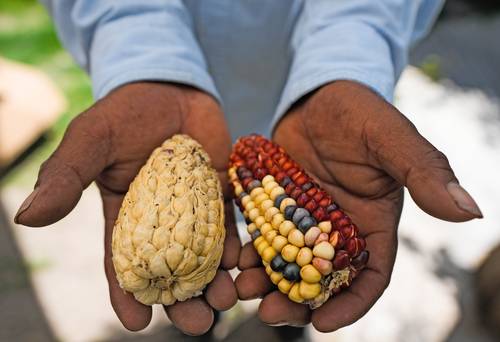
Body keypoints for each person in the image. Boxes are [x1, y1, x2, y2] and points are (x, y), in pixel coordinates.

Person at [15, 0, 483, 336]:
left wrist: (344, 65)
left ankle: (279, 329)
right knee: (213, 281)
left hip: (321, 123)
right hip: (161, 111)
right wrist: (143, 62)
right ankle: (211, 323)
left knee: (260, 276)